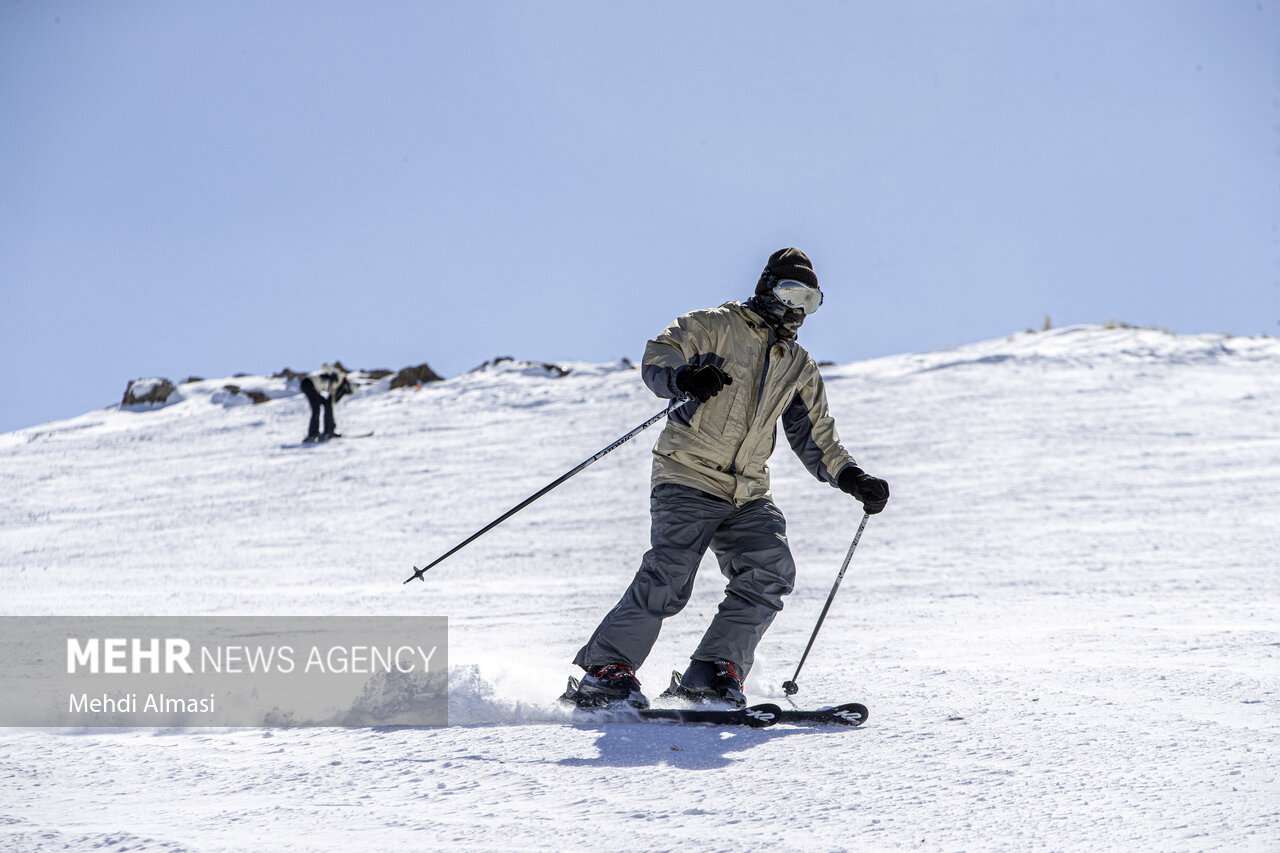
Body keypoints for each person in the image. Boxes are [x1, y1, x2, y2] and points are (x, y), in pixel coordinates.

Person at [565, 248, 890, 709]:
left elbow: (815, 437)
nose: (798, 308)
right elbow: (659, 355)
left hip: (748, 492)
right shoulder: (713, 325)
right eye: (791, 293)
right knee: (670, 574)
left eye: (811, 300)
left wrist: (852, 477)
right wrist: (685, 378)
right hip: (688, 475)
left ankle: (713, 670)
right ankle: (607, 670)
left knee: (770, 570)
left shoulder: (798, 366)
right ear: (766, 287)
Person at [300, 364, 352, 443]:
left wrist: (332, 425)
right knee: (316, 408)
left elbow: (330, 408)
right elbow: (325, 366)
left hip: (312, 387)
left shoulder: (335, 389)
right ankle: (313, 434)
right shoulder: (340, 377)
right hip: (308, 383)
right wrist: (333, 374)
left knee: (325, 405)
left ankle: (328, 431)